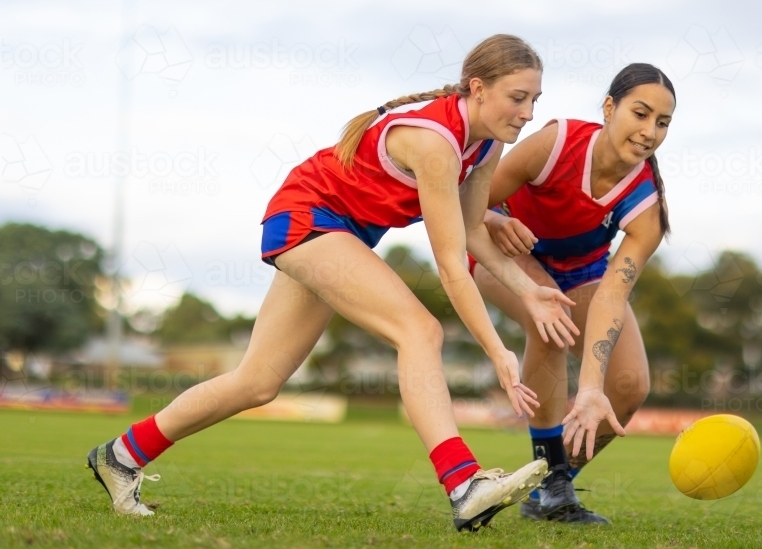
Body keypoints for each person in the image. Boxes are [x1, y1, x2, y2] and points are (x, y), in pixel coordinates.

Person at [86, 34, 582, 532]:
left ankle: (121, 455)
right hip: (310, 218)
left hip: (337, 233)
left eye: (535, 100)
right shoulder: (436, 143)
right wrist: (498, 350)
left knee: (257, 383)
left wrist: (526, 289)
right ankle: (463, 483)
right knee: (420, 331)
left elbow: (472, 228)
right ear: (478, 88)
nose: (528, 112)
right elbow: (451, 266)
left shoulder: (487, 143)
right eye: (518, 98)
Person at [471, 63, 676, 524]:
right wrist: (499, 221)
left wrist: (590, 390)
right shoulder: (556, 142)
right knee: (550, 322)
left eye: (662, 123)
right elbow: (471, 201)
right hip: (501, 251)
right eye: (640, 114)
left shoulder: (646, 209)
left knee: (628, 386)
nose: (649, 131)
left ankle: (547, 485)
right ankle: (556, 484)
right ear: (609, 107)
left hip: (581, 273)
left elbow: (610, 295)